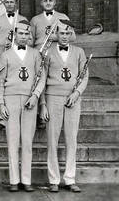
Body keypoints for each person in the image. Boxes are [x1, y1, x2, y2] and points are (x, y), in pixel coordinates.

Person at [39, 19, 88, 193]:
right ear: (56, 34)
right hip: (53, 99)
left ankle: (70, 178)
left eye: (68, 33)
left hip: (73, 100)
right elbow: (41, 81)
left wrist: (77, 93)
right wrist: (43, 104)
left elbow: (84, 77)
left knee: (71, 140)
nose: (65, 36)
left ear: (72, 34)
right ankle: (53, 179)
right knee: (52, 140)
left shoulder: (79, 52)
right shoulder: (48, 53)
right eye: (61, 33)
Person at [0, 20, 45, 192]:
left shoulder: (35, 54)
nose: (24, 37)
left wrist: (35, 96)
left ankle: (26, 179)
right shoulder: (5, 55)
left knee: (27, 142)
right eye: (21, 33)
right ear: (15, 34)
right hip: (10, 100)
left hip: (29, 101)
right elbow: (0, 82)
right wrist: (1, 103)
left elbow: (41, 78)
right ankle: (14, 180)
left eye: (27, 34)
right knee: (12, 141)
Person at [30, 0, 75, 130]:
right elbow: (30, 40)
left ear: (55, 2)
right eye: (45, 1)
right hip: (40, 54)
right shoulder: (35, 20)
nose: (48, 3)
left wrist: (55, 37)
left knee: (51, 84)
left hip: (56, 55)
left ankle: (53, 115)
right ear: (41, 3)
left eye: (51, 0)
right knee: (38, 83)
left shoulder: (62, 17)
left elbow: (73, 37)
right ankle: (40, 114)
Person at [0, 0, 31, 131]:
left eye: (12, 2)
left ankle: (19, 115)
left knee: (13, 85)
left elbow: (28, 39)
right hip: (1, 56)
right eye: (7, 2)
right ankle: (1, 118)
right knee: (1, 85)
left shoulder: (23, 19)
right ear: (3, 4)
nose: (9, 4)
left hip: (17, 57)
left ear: (16, 3)